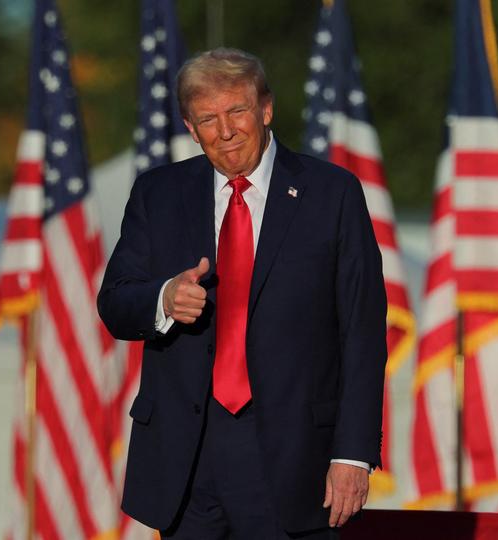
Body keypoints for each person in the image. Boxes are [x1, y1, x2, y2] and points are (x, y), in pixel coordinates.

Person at [98, 48, 387, 539]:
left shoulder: (331, 193)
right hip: (188, 460)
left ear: (266, 109)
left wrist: (352, 453)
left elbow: (362, 330)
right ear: (190, 127)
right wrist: (164, 299)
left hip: (296, 460)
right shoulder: (158, 193)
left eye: (237, 111)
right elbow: (116, 303)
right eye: (208, 119)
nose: (225, 130)